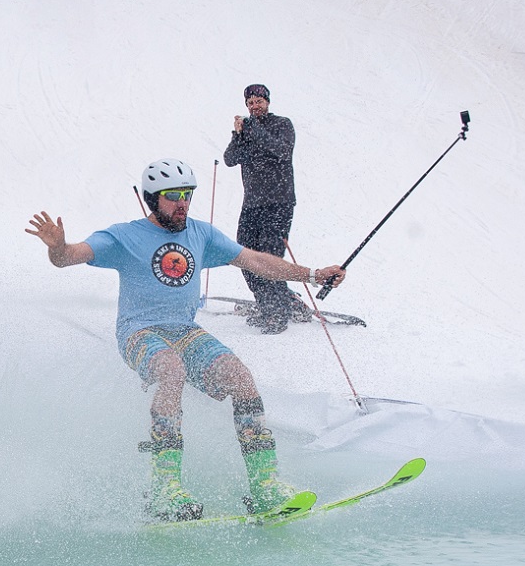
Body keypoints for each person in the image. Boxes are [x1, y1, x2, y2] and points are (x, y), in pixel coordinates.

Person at [25, 159, 345, 522]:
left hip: (185, 331)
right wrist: (57, 247)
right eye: (173, 196)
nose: (183, 203)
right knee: (171, 371)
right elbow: (69, 257)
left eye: (188, 195)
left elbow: (255, 261)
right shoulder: (123, 236)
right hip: (139, 332)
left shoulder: (201, 234)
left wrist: (313, 274)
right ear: (152, 199)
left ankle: (265, 485)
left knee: (241, 378)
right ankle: (164, 489)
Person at [223, 83, 300, 334]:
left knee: (268, 259)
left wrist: (253, 127)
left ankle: (277, 314)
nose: (254, 106)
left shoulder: (282, 125)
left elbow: (281, 151)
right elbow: (230, 159)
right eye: (250, 103)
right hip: (253, 204)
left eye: (259, 102)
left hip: (278, 203)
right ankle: (274, 304)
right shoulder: (248, 131)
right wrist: (238, 135)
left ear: (267, 101)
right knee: (245, 257)